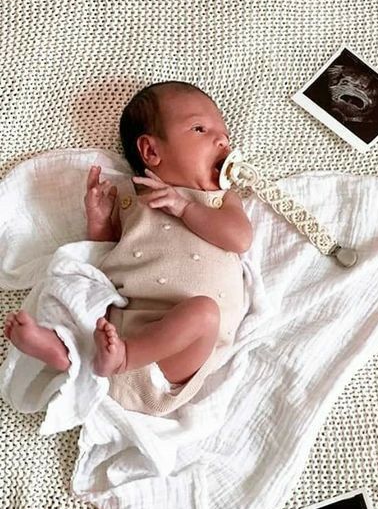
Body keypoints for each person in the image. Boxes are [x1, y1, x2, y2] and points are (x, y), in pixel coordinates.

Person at [3, 81, 252, 415]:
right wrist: (100, 220)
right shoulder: (133, 199)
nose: (221, 139)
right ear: (151, 152)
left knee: (204, 312)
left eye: (223, 133)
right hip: (120, 326)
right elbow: (108, 255)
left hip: (171, 361)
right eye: (199, 128)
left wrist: (185, 207)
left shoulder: (221, 202)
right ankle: (66, 352)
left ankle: (121, 359)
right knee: (78, 282)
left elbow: (239, 239)